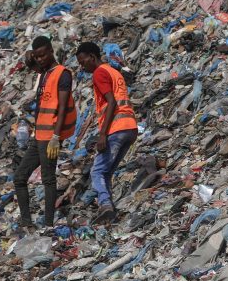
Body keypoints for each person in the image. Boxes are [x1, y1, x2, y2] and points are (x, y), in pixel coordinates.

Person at [14, 35, 76, 231]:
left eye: (43, 55)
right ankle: (27, 222)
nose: (39, 59)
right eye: (38, 56)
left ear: (51, 51)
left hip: (50, 137)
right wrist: (31, 54)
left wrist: (56, 138)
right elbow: (27, 59)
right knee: (19, 177)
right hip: (38, 135)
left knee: (48, 179)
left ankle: (48, 224)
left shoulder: (62, 74)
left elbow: (64, 106)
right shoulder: (45, 72)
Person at [75, 41, 138, 222]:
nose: (82, 66)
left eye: (83, 61)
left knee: (97, 171)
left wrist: (102, 134)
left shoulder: (99, 73)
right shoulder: (113, 71)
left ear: (92, 57)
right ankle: (110, 212)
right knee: (107, 171)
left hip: (116, 129)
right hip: (130, 127)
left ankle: (105, 204)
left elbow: (111, 102)